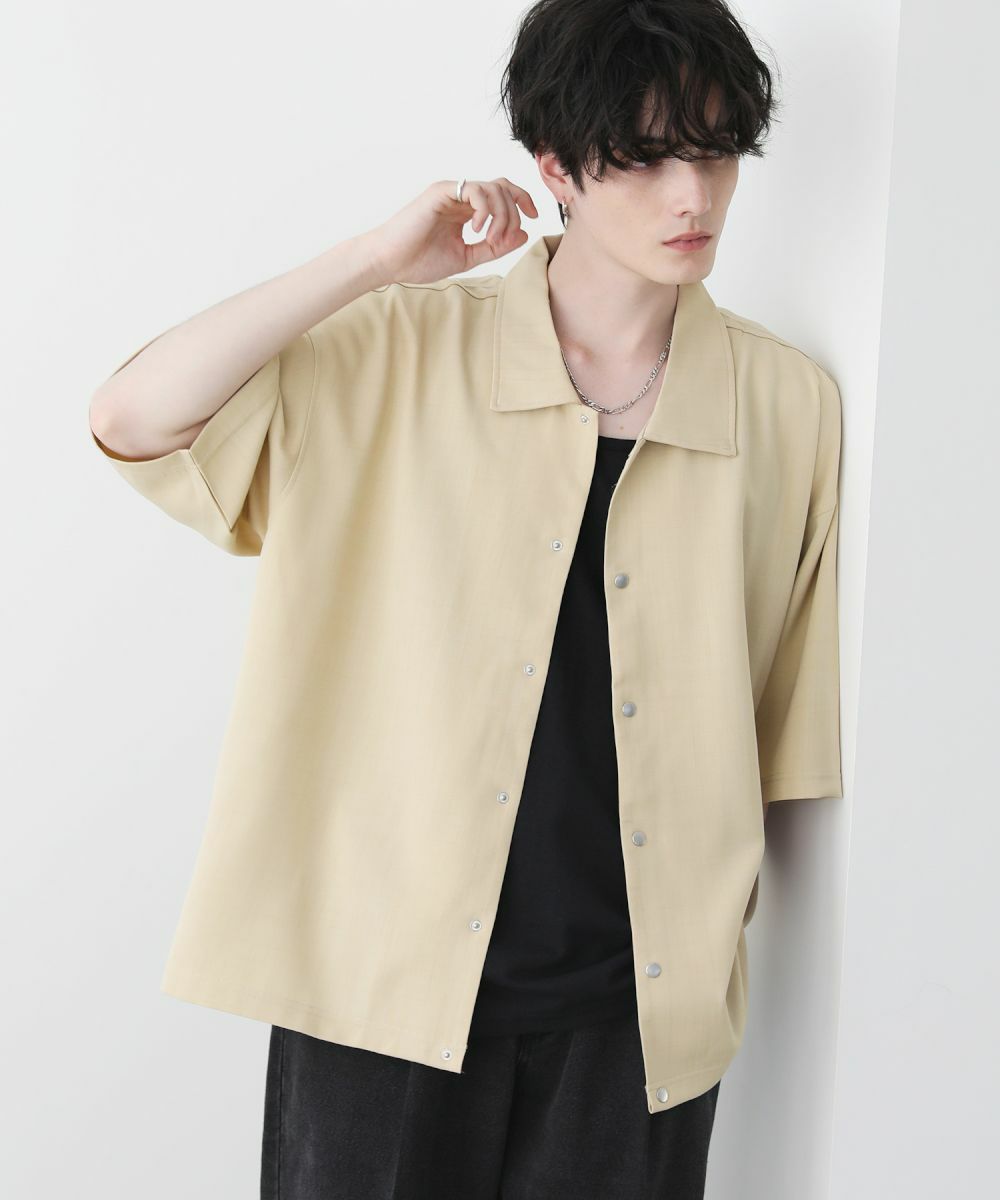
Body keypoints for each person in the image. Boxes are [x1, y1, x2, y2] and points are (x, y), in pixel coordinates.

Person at [89, 1, 844, 1197]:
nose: (691, 196)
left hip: (635, 1022)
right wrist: (371, 262)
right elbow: (133, 419)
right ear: (554, 168)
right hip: (381, 994)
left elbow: (787, 735)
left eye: (714, 153)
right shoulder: (393, 350)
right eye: (644, 158)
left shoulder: (786, 405)